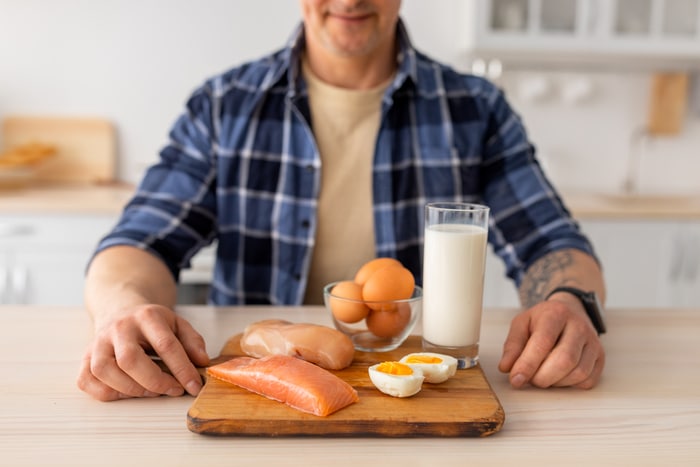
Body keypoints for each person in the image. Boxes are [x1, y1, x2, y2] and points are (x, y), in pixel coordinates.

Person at [77, 0, 606, 402]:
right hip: (253, 398)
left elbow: (553, 242)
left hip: (417, 396)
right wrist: (123, 310)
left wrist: (568, 302)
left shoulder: (475, 108)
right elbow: (139, 240)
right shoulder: (225, 105)